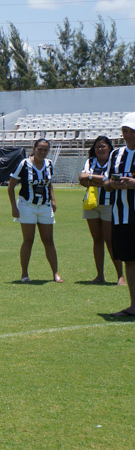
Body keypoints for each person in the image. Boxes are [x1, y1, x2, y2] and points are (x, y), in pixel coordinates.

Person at [7, 138, 63, 283]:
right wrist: (14, 207)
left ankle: (55, 273)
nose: (42, 152)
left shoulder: (49, 164)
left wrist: (53, 200)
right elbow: (11, 186)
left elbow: (48, 184)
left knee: (48, 240)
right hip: (27, 206)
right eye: (40, 149)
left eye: (45, 150)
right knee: (28, 239)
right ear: (34, 148)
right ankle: (24, 274)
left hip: (44, 206)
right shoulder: (24, 164)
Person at [79, 136, 124, 285]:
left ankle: (120, 276)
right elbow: (82, 178)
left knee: (110, 240)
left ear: (109, 147)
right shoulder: (90, 161)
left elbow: (112, 181)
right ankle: (100, 276)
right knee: (97, 240)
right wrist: (102, 180)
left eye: (103, 146)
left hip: (109, 204)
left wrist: (95, 179)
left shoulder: (114, 161)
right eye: (97, 147)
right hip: (91, 204)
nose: (100, 149)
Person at [106, 113, 135, 317]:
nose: (127, 134)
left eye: (130, 130)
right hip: (121, 216)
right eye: (125, 130)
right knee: (130, 260)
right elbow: (106, 183)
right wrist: (112, 184)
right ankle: (134, 305)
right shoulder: (116, 155)